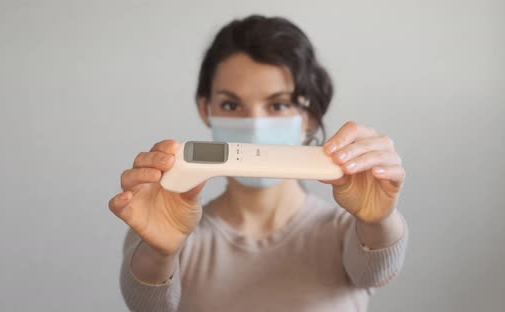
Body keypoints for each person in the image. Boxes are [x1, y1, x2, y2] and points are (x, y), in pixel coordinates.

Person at [109, 15, 408, 312]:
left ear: (311, 116)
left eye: (278, 104)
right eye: (231, 105)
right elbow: (148, 306)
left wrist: (378, 220)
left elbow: (376, 271)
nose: (254, 125)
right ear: (205, 109)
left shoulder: (349, 230)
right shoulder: (166, 224)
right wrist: (160, 254)